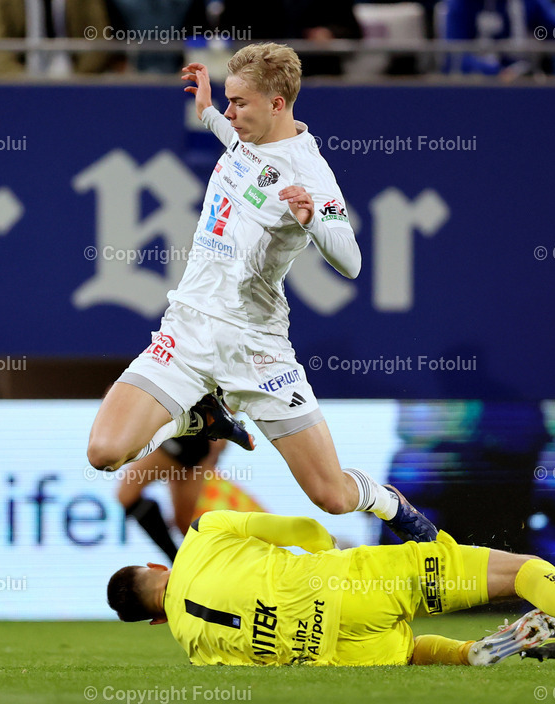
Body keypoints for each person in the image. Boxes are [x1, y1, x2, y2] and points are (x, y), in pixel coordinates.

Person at [86, 43, 437, 545]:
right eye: (228, 101)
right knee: (104, 453)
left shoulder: (309, 174)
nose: (232, 112)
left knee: (331, 496)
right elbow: (232, 138)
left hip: (256, 349)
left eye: (240, 102)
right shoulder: (243, 136)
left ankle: (389, 503)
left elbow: (352, 261)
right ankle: (199, 418)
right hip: (186, 329)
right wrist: (207, 110)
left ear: (277, 104)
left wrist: (313, 220)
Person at [106, 510, 555, 666]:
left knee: (410, 649)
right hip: (351, 585)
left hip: (336, 656)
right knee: (525, 572)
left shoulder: (192, 647)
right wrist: (328, 549)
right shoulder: (204, 532)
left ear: (154, 621)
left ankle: (473, 652)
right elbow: (305, 528)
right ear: (156, 571)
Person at [119, 437, 227, 562]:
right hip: (183, 442)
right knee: (184, 522)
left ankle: (178, 562)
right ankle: (182, 563)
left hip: (186, 443)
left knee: (186, 523)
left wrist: (220, 438)